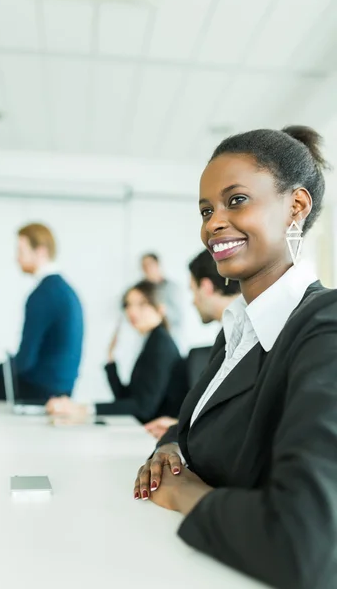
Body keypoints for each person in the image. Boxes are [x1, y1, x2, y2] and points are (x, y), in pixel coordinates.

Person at [133, 126, 337, 589]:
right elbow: (192, 427)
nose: (212, 223)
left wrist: (186, 493)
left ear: (296, 207)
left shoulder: (325, 327)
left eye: (236, 200)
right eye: (206, 210)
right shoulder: (240, 328)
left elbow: (305, 539)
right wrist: (168, 450)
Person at [0, 223, 83, 403]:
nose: (16, 258)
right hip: (62, 388)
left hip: (41, 390)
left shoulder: (43, 294)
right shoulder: (65, 291)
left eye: (21, 251)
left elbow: (25, 361)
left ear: (41, 252)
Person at [46, 281, 184, 424]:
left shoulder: (160, 344)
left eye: (141, 304)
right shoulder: (152, 341)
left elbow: (143, 408)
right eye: (128, 305)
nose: (132, 311)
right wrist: (111, 361)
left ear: (160, 308)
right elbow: (126, 399)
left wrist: (82, 409)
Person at [145, 249, 240, 439]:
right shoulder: (230, 334)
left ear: (206, 287)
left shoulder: (242, 337)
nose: (192, 302)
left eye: (192, 290)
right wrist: (182, 426)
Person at [141, 253, 182, 342]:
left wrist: (163, 311)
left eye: (149, 265)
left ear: (157, 264)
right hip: (147, 338)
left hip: (170, 337)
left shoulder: (172, 287)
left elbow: (178, 316)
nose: (147, 269)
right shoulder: (141, 290)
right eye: (144, 266)